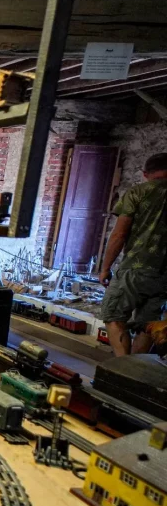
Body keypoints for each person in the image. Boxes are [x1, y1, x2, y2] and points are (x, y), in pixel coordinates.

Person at [98, 152, 167, 357]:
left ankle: (122, 368)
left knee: (113, 316)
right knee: (148, 324)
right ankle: (135, 374)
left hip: (136, 269)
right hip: (164, 276)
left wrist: (105, 268)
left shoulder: (138, 192)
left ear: (146, 173)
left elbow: (119, 234)